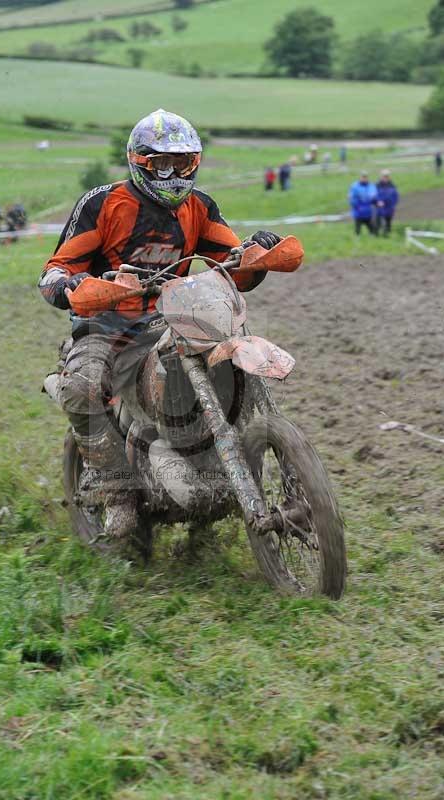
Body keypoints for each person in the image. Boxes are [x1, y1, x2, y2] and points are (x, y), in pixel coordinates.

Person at [38, 109, 286, 542]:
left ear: (195, 162)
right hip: (106, 327)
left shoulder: (200, 207)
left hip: (173, 318)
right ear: (139, 161)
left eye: (182, 163)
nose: (172, 173)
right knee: (81, 386)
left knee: (232, 362)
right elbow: (53, 272)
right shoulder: (102, 204)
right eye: (161, 164)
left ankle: (232, 458)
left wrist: (256, 252)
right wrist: (75, 283)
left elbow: (232, 263)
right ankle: (115, 490)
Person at [349, 171, 377, 235]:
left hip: (368, 212)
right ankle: (357, 241)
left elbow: (373, 195)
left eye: (365, 177)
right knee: (357, 230)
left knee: (372, 229)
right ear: (360, 177)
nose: (364, 178)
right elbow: (352, 198)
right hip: (358, 212)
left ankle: (373, 239)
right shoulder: (355, 186)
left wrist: (371, 198)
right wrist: (356, 205)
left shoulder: (371, 186)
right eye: (363, 177)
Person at [375, 169, 399, 236]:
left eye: (387, 176)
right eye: (384, 176)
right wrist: (377, 202)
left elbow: (395, 197)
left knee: (388, 223)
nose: (385, 178)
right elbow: (374, 195)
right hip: (380, 208)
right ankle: (376, 236)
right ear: (381, 176)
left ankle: (387, 235)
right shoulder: (377, 185)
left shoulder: (392, 186)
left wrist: (392, 204)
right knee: (378, 223)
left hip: (389, 208)